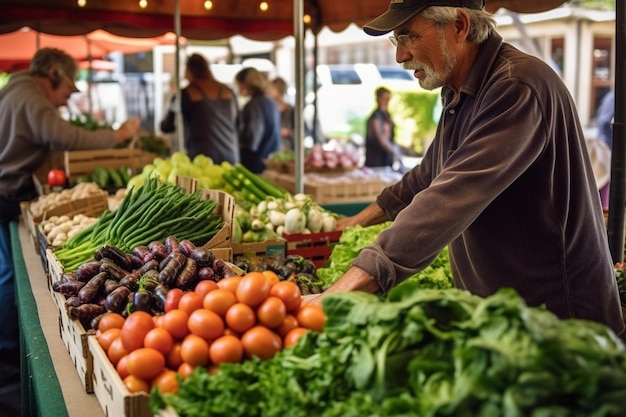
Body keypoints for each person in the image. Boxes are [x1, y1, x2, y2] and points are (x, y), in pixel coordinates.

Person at [305, 0, 625, 338]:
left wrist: (341, 291)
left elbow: (448, 199)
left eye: (408, 37)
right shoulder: (463, 90)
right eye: (396, 40)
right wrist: (353, 223)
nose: (400, 56)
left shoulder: (515, 86)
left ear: (459, 26)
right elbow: (427, 176)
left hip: (560, 320)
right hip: (508, 317)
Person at [0, 47, 140, 414]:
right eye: (66, 91)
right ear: (52, 74)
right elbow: (64, 136)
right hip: (5, 192)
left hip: (10, 189)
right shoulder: (31, 96)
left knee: (3, 270)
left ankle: (5, 352)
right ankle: (7, 354)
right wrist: (117, 135)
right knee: (5, 276)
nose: (65, 100)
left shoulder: (15, 90)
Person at [160, 53, 240, 165]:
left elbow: (166, 126)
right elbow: (239, 125)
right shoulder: (228, 91)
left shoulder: (184, 94)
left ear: (189, 70)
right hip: (231, 156)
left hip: (201, 159)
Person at [234, 67, 281, 173]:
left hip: (255, 163)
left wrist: (239, 145)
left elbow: (253, 138)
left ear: (245, 83)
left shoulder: (253, 105)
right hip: (270, 158)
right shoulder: (271, 102)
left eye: (238, 84)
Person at [364, 86, 404, 168]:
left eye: (388, 98)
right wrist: (393, 151)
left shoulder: (387, 115)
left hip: (386, 157)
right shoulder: (376, 117)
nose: (387, 101)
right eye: (384, 98)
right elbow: (380, 137)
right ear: (378, 99)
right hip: (376, 159)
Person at [595, 89, 614, 209]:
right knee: (603, 180)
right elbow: (605, 122)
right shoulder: (616, 97)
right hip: (606, 146)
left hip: (606, 145)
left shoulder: (612, 96)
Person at [267, 76, 296, 152]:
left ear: (279, 89)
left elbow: (303, 131)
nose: (268, 91)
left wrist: (287, 132)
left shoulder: (291, 110)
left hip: (288, 149)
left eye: (271, 88)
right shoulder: (269, 109)